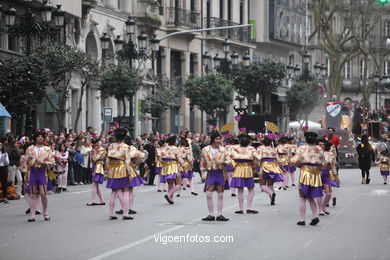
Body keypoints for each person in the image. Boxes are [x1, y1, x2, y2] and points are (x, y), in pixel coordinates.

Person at [291, 132, 324, 226]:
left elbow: (294, 160)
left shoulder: (302, 148)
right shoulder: (320, 149)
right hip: (316, 174)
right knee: (310, 197)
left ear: (306, 139)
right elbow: (323, 162)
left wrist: (298, 165)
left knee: (302, 197)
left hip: (305, 173)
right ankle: (315, 216)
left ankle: (302, 219)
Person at [25, 132, 55, 222]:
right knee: (32, 194)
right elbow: (25, 161)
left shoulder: (47, 149)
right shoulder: (30, 149)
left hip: (42, 171)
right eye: (38, 136)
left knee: (43, 194)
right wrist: (26, 171)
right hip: (33, 171)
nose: (40, 138)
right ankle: (32, 214)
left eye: (42, 136)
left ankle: (45, 213)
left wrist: (44, 163)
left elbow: (52, 162)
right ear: (35, 138)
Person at [201, 131, 229, 221]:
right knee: (209, 194)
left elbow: (230, 161)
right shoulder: (205, 150)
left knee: (220, 195)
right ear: (213, 140)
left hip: (220, 173)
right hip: (211, 173)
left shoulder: (223, 150)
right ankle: (211, 215)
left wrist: (222, 162)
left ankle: (220, 214)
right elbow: (202, 163)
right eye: (217, 139)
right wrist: (202, 173)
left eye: (219, 139)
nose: (219, 141)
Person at [106, 128, 133, 220]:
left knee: (114, 191)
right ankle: (125, 213)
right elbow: (127, 161)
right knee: (125, 190)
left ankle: (111, 214)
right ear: (125, 136)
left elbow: (107, 159)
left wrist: (107, 170)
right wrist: (129, 174)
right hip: (122, 168)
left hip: (113, 169)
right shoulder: (126, 147)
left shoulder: (111, 146)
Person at [229, 135, 258, 214]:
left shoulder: (235, 149)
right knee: (251, 189)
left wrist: (234, 164)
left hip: (238, 169)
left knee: (240, 190)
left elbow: (230, 158)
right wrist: (254, 165)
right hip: (248, 169)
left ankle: (241, 208)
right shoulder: (251, 149)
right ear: (249, 142)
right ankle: (249, 208)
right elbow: (258, 157)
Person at [256, 137, 284, 205]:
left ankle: (271, 194)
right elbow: (278, 160)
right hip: (273, 166)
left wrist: (256, 166)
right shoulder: (274, 150)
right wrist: (282, 168)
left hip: (264, 166)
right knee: (270, 184)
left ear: (263, 143)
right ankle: (272, 198)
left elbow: (258, 158)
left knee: (262, 184)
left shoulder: (260, 149)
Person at [160, 135, 183, 205]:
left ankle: (170, 199)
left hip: (165, 166)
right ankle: (168, 194)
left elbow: (160, 158)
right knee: (179, 183)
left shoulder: (164, 148)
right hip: (173, 166)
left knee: (170, 184)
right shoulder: (176, 149)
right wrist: (183, 165)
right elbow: (179, 158)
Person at [318, 140, 339, 215]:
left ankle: (323, 206)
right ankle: (321, 209)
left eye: (322, 145)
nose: (321, 146)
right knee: (319, 193)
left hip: (326, 173)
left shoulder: (330, 154)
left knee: (328, 194)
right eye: (319, 145)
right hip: (317, 174)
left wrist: (336, 177)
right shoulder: (315, 154)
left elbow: (333, 166)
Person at [87, 140, 106, 206]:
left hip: (98, 167)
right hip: (96, 166)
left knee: (94, 184)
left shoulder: (101, 150)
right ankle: (101, 200)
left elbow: (95, 159)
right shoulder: (99, 150)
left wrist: (94, 152)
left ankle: (93, 201)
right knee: (96, 185)